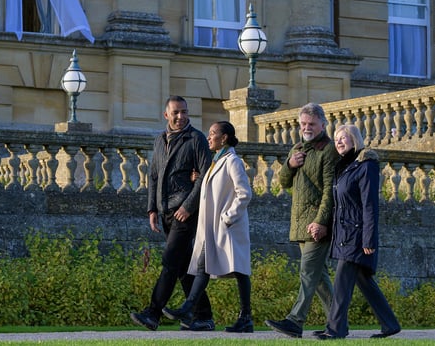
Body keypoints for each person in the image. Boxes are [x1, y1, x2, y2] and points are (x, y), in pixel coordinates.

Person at [130, 95, 215, 331]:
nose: (181, 117)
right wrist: (152, 209)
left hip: (185, 211)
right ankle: (202, 316)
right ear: (166, 115)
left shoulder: (196, 139)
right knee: (183, 265)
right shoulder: (159, 140)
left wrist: (188, 206)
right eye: (176, 112)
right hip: (165, 210)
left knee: (169, 262)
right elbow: (154, 175)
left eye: (184, 112)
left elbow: (205, 177)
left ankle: (153, 313)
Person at [161, 121, 254, 333]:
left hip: (227, 227)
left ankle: (245, 317)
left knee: (239, 271)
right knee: (203, 267)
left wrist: (228, 217)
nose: (209, 137)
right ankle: (189, 308)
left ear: (224, 138)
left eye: (213, 134)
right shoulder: (216, 161)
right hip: (211, 228)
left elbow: (245, 193)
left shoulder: (232, 161)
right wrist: (199, 180)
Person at [315, 124, 401, 340]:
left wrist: (368, 238)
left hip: (357, 235)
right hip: (344, 234)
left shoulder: (366, 165)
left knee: (342, 282)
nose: (339, 142)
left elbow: (370, 205)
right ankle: (390, 324)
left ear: (355, 140)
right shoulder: (343, 166)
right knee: (364, 280)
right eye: (336, 139)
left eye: (344, 138)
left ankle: (336, 330)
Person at [264, 102, 340, 338]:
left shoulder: (328, 150)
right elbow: (284, 183)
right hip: (299, 221)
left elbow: (330, 190)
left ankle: (295, 321)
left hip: (317, 223)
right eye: (303, 124)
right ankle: (338, 323)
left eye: (311, 124)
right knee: (318, 279)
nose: (307, 128)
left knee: (308, 272)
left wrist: (321, 221)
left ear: (323, 124)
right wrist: (289, 164)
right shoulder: (297, 148)